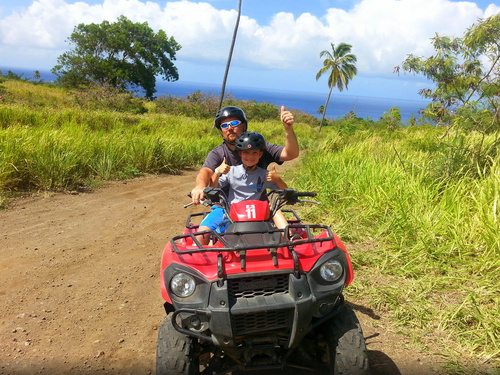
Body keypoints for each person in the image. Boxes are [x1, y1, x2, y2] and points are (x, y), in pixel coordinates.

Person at [190, 105, 298, 205]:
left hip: (258, 208)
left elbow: (291, 154)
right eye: (224, 125)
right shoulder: (218, 153)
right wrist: (200, 186)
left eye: (234, 123)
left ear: (243, 125)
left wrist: (288, 129)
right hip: (226, 208)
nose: (230, 128)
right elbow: (205, 171)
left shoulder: (258, 145)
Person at [197, 132, 288, 245]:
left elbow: (285, 192)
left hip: (254, 215)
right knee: (202, 234)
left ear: (260, 155)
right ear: (240, 153)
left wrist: (278, 179)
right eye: (246, 152)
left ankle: (290, 239)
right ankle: (205, 259)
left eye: (254, 153)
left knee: (274, 209)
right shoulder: (232, 171)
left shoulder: (265, 175)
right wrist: (217, 172)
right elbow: (213, 188)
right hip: (228, 211)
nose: (250, 157)